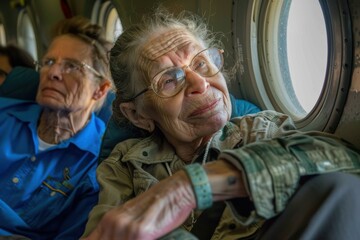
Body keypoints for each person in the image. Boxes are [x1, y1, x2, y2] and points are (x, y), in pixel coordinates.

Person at [82, 8, 360, 240]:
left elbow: (347, 160)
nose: (200, 83)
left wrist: (192, 185)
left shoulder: (259, 129)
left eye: (202, 63)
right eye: (169, 80)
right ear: (137, 115)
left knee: (341, 191)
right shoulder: (124, 166)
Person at [0, 16, 113, 239]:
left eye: (71, 66)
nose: (52, 73)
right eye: (49, 62)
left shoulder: (98, 165)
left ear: (100, 90)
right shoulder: (3, 114)